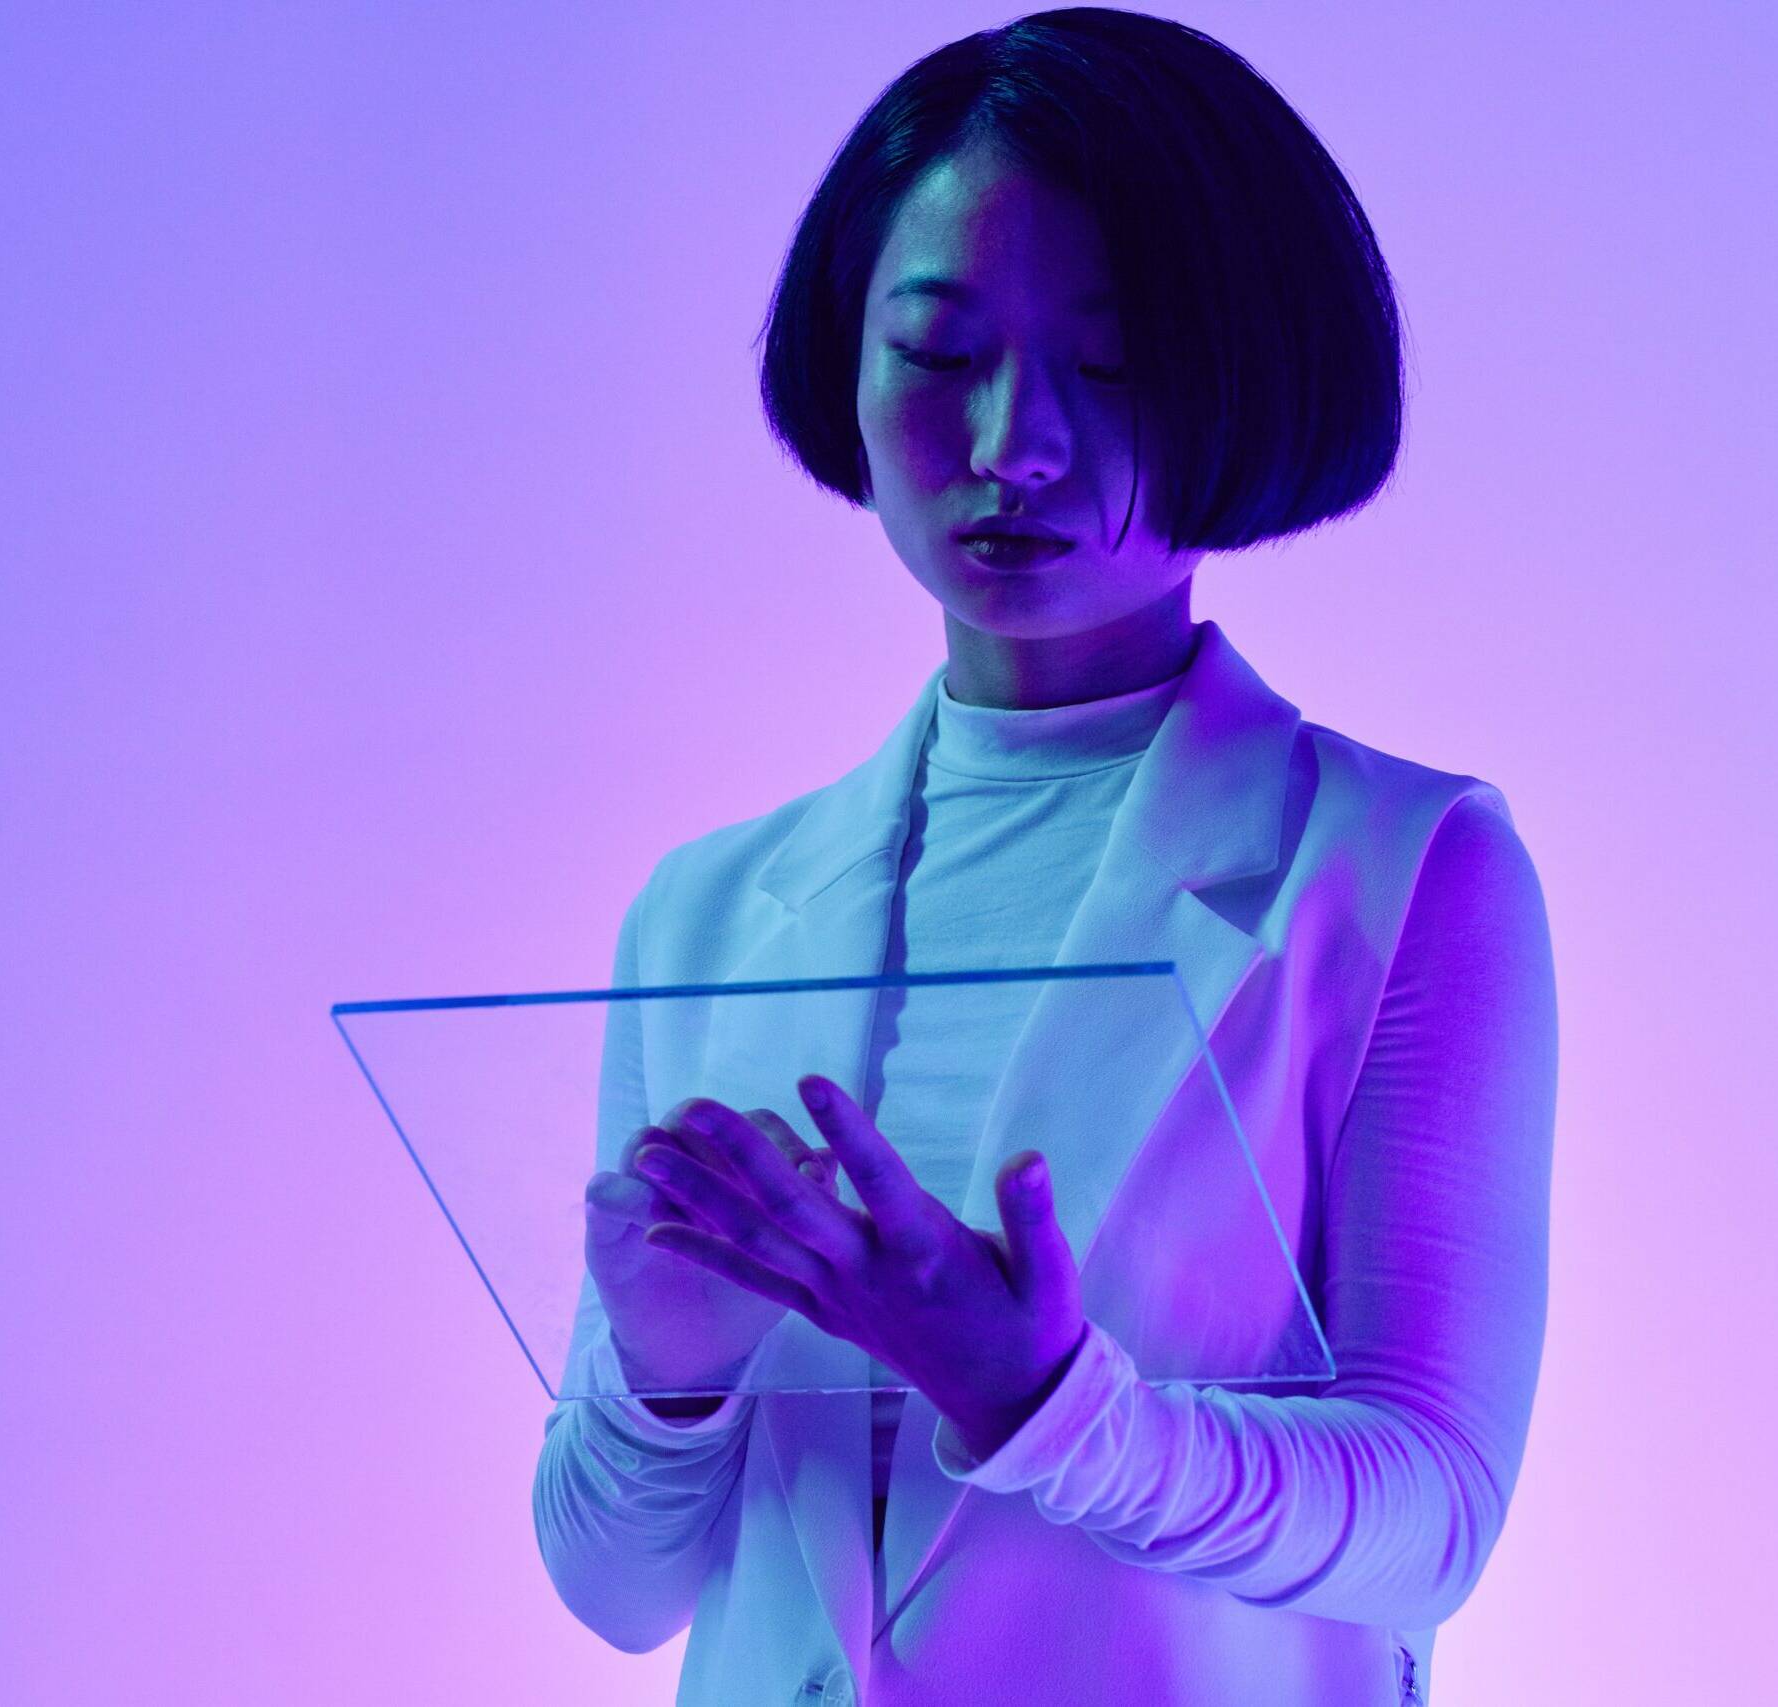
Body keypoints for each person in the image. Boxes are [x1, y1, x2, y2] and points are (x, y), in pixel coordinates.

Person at [532, 10, 1557, 1705]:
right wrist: (666, 1375)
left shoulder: (1405, 868)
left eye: (1114, 362)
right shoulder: (704, 909)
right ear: (849, 365)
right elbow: (616, 1591)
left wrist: (1052, 1407)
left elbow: (1433, 1516)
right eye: (939, 353)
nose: (1012, 442)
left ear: (1247, 373)